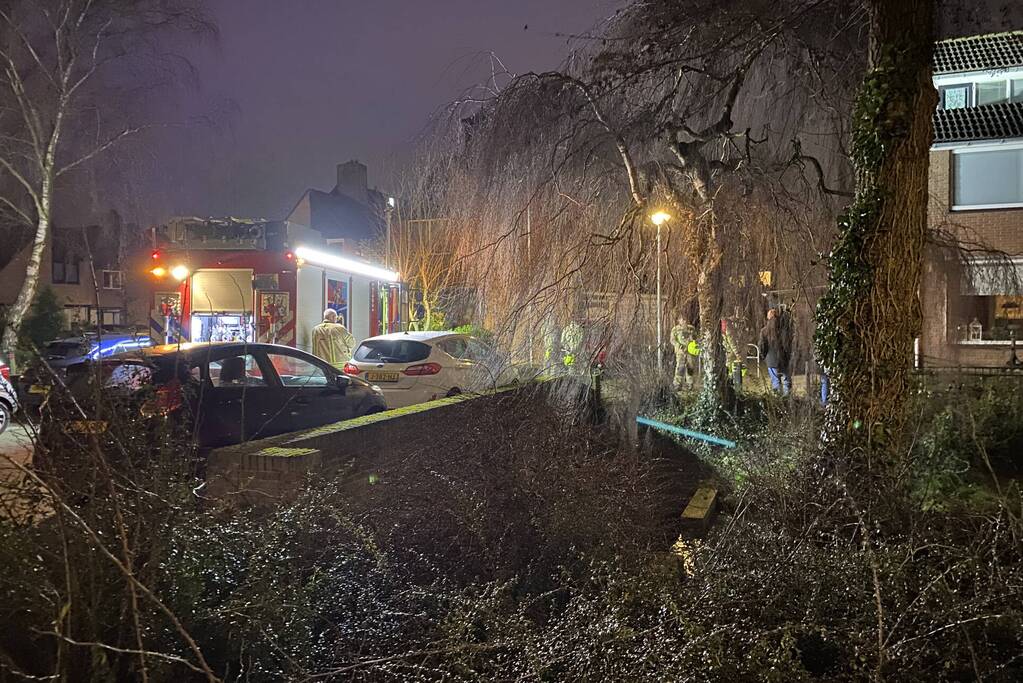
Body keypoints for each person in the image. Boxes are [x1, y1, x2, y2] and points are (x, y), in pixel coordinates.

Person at [758, 309, 792, 396]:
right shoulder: (784, 330)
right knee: (786, 382)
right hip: (784, 359)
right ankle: (787, 402)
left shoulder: (764, 331)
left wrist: (764, 357)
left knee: (775, 382)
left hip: (771, 361)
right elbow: (788, 345)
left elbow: (762, 346)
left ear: (768, 318)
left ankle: (778, 402)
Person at [670, 315, 699, 389]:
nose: (684, 321)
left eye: (685, 319)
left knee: (690, 367)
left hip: (690, 351)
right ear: (679, 320)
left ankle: (690, 384)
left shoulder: (691, 329)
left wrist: (694, 344)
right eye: (682, 319)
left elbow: (696, 339)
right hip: (681, 352)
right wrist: (679, 345)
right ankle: (677, 384)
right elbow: (672, 340)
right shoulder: (675, 329)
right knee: (680, 367)